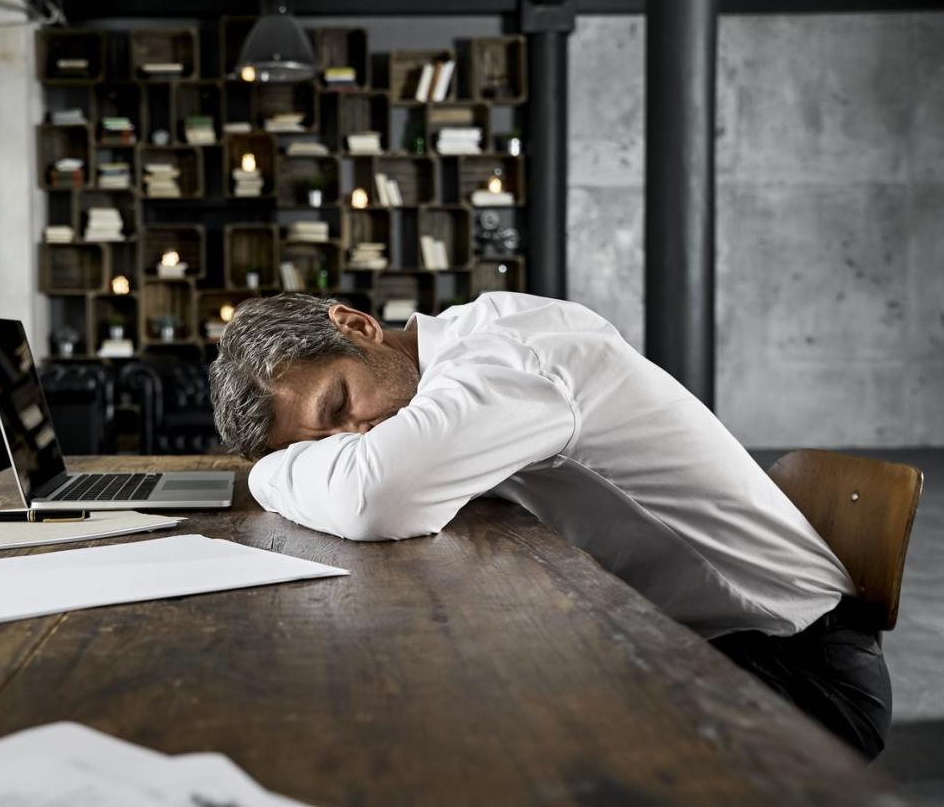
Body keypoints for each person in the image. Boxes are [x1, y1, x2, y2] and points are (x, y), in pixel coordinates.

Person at [209, 291, 891, 759]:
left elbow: (378, 497)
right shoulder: (452, 363)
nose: (355, 435)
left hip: (792, 668)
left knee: (475, 740)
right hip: (695, 637)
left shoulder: (509, 354)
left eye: (340, 405)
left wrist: (273, 473)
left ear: (356, 326)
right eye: (319, 441)